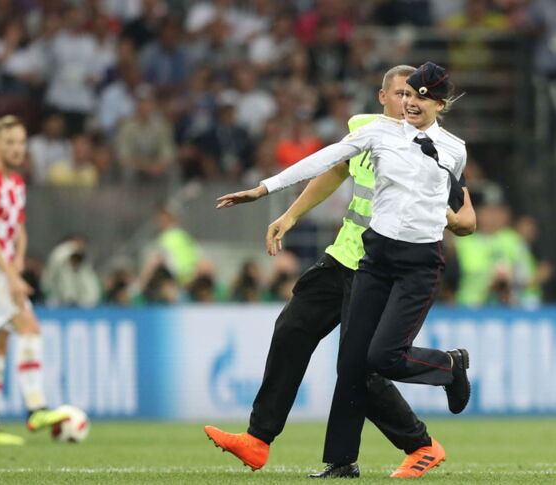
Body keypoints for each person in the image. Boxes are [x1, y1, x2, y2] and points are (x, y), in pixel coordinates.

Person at [204, 65, 476, 478]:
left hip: (397, 259)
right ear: (384, 96)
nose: (409, 102)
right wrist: (281, 207)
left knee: (364, 364)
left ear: (436, 104)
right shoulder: (367, 130)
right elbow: (331, 167)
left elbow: (457, 202)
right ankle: (259, 439)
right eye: (403, 94)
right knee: (293, 330)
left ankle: (416, 444)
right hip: (351, 255)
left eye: (417, 95)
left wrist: (451, 218)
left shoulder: (446, 148)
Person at [0, 115, 69, 446]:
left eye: (21, 142)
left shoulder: (17, 182)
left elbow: (18, 228)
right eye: (9, 142)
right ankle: (36, 407)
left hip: (1, 268)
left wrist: (19, 261)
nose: (16, 148)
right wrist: (11, 275)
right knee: (30, 327)